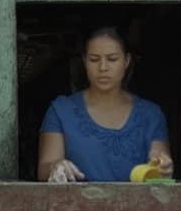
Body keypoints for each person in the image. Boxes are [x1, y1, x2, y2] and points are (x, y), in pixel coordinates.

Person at [38, 25, 173, 183]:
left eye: (112, 59)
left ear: (127, 61)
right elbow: (44, 169)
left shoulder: (151, 115)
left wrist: (162, 166)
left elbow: (160, 168)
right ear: (84, 61)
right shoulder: (61, 111)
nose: (103, 68)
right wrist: (55, 166)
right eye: (94, 59)